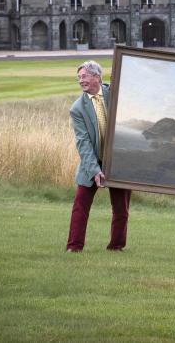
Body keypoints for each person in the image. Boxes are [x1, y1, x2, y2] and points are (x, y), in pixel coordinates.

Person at [65, 60, 131, 252]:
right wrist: (95, 171)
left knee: (121, 208)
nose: (80, 81)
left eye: (84, 76)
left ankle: (116, 246)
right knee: (80, 206)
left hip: (118, 162)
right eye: (79, 78)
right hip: (92, 163)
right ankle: (74, 247)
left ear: (96, 76)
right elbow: (83, 143)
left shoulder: (115, 94)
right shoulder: (77, 108)